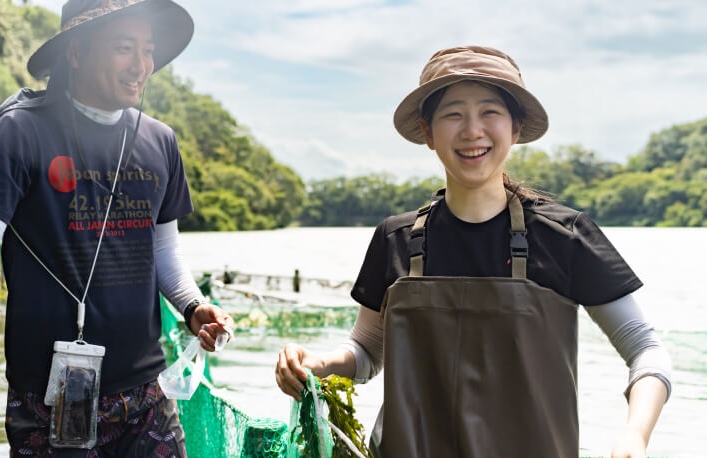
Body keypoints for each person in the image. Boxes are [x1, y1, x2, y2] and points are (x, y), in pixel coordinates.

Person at [275, 46, 672, 457]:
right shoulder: (395, 238)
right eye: (453, 115)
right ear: (428, 134)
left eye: (489, 112)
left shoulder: (564, 237)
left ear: (515, 129)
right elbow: (366, 353)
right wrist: (320, 364)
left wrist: (635, 435)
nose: (472, 131)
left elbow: (645, 349)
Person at [0, 0, 234, 455]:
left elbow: (163, 252)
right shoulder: (19, 132)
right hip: (50, 399)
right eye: (123, 47)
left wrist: (193, 307)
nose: (141, 65)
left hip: (146, 395)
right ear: (75, 52)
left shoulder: (159, 141)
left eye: (147, 50)